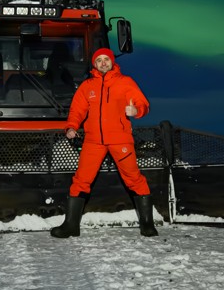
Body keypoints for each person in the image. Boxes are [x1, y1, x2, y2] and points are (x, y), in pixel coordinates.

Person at [50, 47, 158, 238]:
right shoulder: (87, 86)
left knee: (133, 179)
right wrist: (71, 127)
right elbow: (77, 111)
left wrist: (136, 112)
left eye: (105, 59)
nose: (103, 63)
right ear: (94, 64)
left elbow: (143, 105)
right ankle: (70, 225)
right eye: (98, 60)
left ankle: (147, 224)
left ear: (111, 62)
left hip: (120, 140)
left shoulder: (126, 82)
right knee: (81, 181)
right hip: (93, 141)